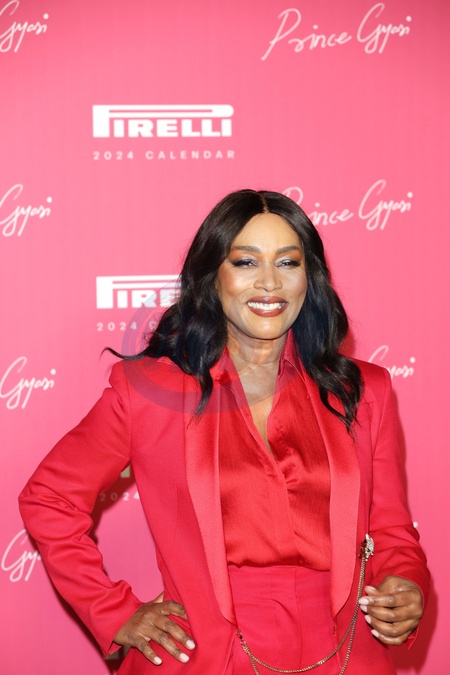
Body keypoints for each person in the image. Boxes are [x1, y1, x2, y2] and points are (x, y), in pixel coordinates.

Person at [19, 189, 429, 674]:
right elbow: (49, 498)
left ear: (310, 277)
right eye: (246, 262)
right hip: (208, 655)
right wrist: (114, 611)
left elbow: (390, 531)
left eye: (288, 262)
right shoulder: (150, 392)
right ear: (212, 276)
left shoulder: (363, 389)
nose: (270, 283)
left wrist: (406, 582)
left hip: (343, 653)